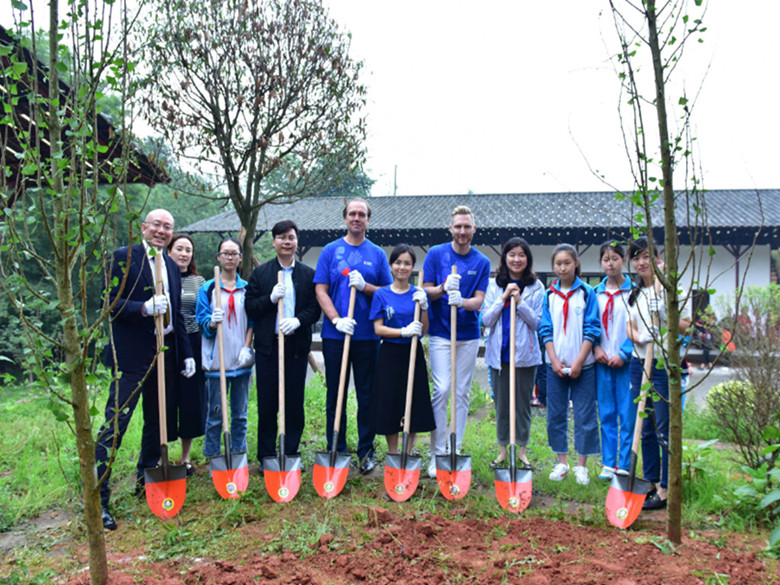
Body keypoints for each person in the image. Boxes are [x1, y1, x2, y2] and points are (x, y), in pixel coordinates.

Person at [95, 209, 195, 530]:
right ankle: (100, 498)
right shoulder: (124, 258)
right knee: (116, 423)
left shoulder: (171, 266)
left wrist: (186, 354)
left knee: (158, 422)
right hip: (131, 358)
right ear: (144, 227)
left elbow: (176, 315)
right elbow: (108, 303)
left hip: (163, 356)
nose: (162, 231)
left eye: (168, 226)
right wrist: (143, 308)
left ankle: (145, 478)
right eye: (157, 225)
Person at [314, 198, 393, 474]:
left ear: (368, 220)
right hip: (336, 336)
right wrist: (336, 320)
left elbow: (387, 292)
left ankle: (366, 451)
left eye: (362, 214)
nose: (357, 218)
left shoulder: (378, 254)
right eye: (352, 214)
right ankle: (337, 447)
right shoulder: (330, 251)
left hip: (368, 337)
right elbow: (321, 290)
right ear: (345, 218)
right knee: (335, 394)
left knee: (367, 395)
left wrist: (366, 286)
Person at [245, 220, 320, 470]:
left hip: (296, 348)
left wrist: (298, 321)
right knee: (267, 402)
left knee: (293, 403)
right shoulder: (261, 273)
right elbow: (251, 306)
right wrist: (270, 298)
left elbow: (314, 309)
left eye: (291, 237)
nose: (287, 242)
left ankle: (290, 453)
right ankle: (266, 455)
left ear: (297, 241)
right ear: (274, 241)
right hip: (268, 347)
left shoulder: (308, 275)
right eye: (281, 237)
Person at [422, 205, 490, 478]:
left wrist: (461, 300)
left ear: (474, 229)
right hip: (440, 332)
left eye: (467, 227)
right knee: (441, 389)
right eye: (458, 226)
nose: (462, 231)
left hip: (467, 335)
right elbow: (425, 289)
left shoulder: (481, 261)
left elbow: (479, 301)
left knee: (461, 393)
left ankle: (455, 448)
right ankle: (437, 452)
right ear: (450, 228)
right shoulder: (436, 254)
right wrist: (442, 288)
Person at [625, 237, 691, 510]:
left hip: (663, 366)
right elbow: (629, 326)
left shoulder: (671, 289)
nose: (641, 262)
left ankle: (665, 488)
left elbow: (686, 325)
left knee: (664, 428)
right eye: (637, 258)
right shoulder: (635, 292)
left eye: (646, 257)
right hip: (639, 363)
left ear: (658, 258)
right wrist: (640, 337)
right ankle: (650, 480)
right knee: (646, 426)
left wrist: (664, 312)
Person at [539, 243, 600, 486]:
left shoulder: (587, 293)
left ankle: (581, 466)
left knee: (585, 414)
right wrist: (553, 360)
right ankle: (562, 462)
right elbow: (545, 329)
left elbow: (592, 328)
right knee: (556, 414)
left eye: (567, 262)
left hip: (583, 366)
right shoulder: (549, 294)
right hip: (554, 366)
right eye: (558, 263)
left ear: (576, 263)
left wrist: (579, 361)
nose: (562, 267)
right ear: (553, 266)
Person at [481, 238, 544, 467]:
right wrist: (503, 297)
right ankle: (502, 450)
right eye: (512, 255)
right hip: (500, 356)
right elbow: (486, 319)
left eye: (521, 255)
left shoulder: (536, 287)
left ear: (528, 259)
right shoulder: (493, 285)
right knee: (502, 405)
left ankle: (522, 451)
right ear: (504, 258)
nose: (516, 260)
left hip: (526, 357)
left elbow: (538, 323)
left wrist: (519, 301)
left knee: (523, 406)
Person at [369, 244, 435, 455]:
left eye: (407, 263)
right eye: (398, 262)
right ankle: (393, 453)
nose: (402, 267)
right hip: (389, 354)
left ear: (413, 267)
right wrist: (402, 332)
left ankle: (407, 452)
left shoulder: (418, 293)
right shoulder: (381, 294)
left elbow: (424, 329)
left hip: (413, 353)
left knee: (412, 401)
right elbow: (377, 328)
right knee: (390, 401)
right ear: (390, 266)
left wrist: (424, 307)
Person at [196, 238, 255, 462]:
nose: (230, 258)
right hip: (216, 361)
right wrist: (211, 322)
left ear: (241, 257)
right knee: (215, 414)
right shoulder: (208, 288)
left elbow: (253, 322)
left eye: (234, 254)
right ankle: (213, 457)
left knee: (240, 414)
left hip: (240, 362)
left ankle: (239, 455)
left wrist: (246, 348)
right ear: (218, 257)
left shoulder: (247, 288)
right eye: (226, 253)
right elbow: (200, 318)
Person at [593, 241, 635, 481]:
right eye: (606, 259)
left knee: (627, 414)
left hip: (626, 363)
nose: (610, 263)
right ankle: (609, 463)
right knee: (607, 413)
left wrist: (624, 352)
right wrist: (596, 348)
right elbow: (590, 324)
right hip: (602, 361)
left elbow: (641, 324)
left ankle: (625, 463)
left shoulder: (634, 291)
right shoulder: (595, 293)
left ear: (623, 261)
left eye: (615, 258)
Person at [167, 234, 206, 476]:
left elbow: (203, 313)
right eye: (179, 249)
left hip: (193, 342)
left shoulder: (198, 281)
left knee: (191, 400)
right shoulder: (160, 278)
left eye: (188, 250)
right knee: (167, 397)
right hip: (167, 342)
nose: (184, 254)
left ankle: (185, 458)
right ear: (169, 251)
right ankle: (161, 454)